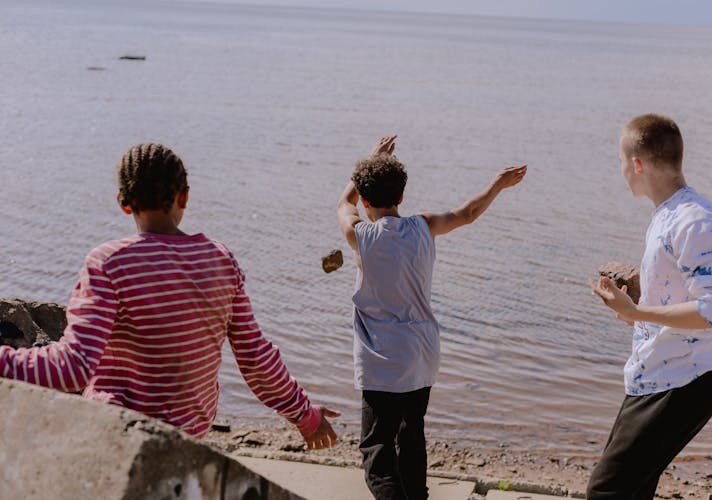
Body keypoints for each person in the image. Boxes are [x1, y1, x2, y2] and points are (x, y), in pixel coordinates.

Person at [0, 143, 339, 449]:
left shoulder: (109, 263)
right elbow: (255, 358)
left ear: (123, 202)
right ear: (185, 197)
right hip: (185, 442)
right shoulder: (220, 260)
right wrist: (304, 415)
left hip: (115, 437)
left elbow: (71, 369)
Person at [336, 135, 527, 499]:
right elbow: (467, 213)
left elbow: (342, 203)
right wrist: (497, 184)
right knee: (411, 438)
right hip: (422, 355)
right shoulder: (423, 226)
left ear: (365, 199)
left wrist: (363, 168)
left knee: (377, 452)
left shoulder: (360, 236)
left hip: (382, 362)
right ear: (402, 197)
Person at [587, 114, 712, 498]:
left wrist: (636, 312)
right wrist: (637, 301)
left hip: (683, 382)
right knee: (632, 490)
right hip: (657, 374)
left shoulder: (695, 220)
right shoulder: (668, 214)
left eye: (622, 162)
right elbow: (683, 299)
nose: (622, 171)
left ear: (637, 163)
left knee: (606, 492)